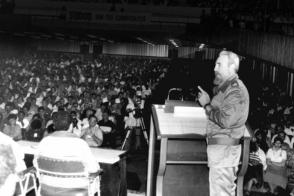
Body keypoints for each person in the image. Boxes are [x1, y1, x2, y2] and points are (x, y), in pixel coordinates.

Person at [197, 51, 249, 196]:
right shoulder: (227, 89)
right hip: (221, 152)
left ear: (232, 66)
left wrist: (207, 105)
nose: (215, 68)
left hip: (224, 152)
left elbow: (226, 120)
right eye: (215, 64)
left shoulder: (235, 90)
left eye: (219, 64)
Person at [35, 111, 100, 188]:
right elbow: (93, 169)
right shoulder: (80, 144)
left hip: (47, 188)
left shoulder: (44, 142)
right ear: (71, 126)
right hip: (75, 188)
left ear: (54, 126)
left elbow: (36, 164)